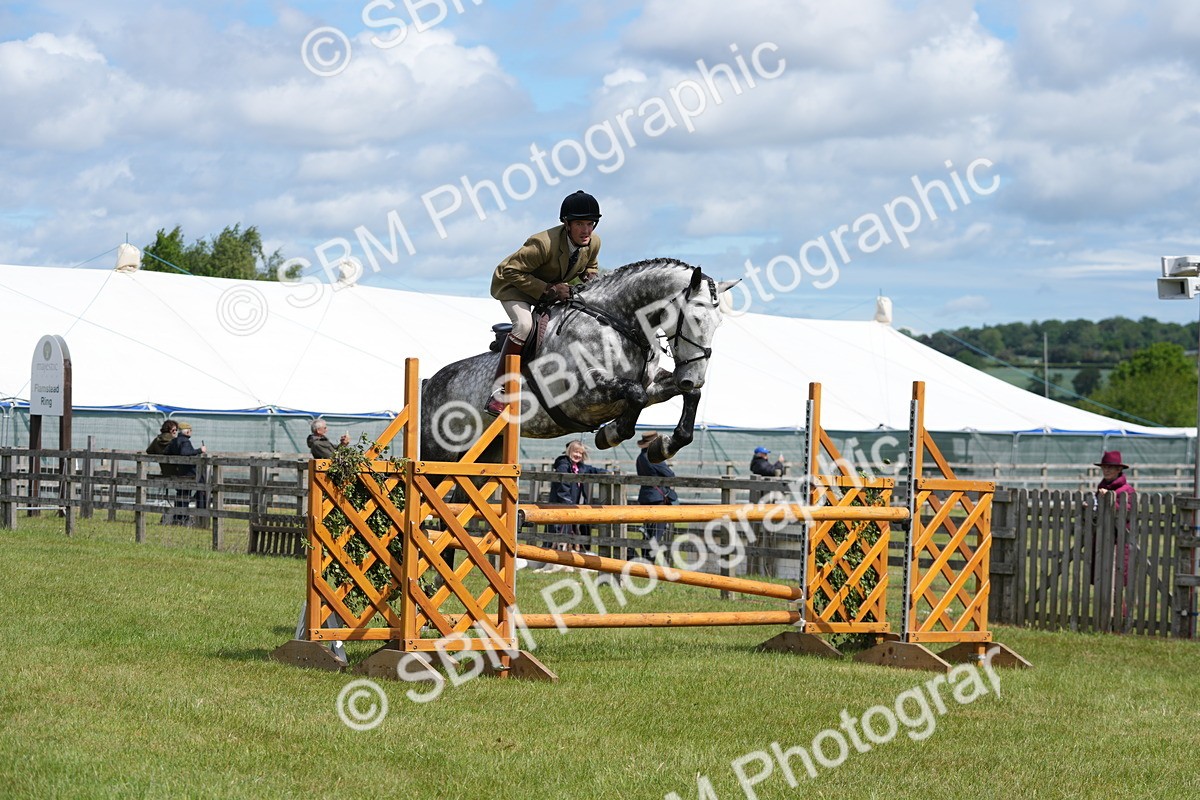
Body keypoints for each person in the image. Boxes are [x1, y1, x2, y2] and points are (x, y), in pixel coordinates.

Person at [485, 190, 603, 415]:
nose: (586, 230)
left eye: (591, 223)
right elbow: (511, 271)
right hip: (513, 286)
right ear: (567, 224)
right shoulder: (542, 243)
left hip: (550, 290)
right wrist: (550, 289)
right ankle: (499, 390)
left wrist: (590, 277)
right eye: (580, 224)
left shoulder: (593, 242)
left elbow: (591, 266)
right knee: (524, 325)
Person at [535, 440, 606, 572]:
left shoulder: (581, 467)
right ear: (569, 451)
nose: (578, 455)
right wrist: (567, 502)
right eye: (575, 452)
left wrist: (606, 472)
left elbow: (593, 470)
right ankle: (550, 558)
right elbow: (563, 485)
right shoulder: (563, 465)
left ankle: (565, 559)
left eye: (580, 453)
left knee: (570, 531)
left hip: (572, 506)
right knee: (557, 530)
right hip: (561, 505)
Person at [635, 432, 677, 562]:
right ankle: (650, 561)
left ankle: (646, 559)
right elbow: (670, 475)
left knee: (647, 531)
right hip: (657, 498)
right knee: (656, 532)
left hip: (645, 497)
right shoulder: (654, 458)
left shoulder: (640, 457)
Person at [165, 422, 208, 525]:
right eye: (190, 430)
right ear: (187, 431)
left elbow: (166, 453)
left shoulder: (174, 441)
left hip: (179, 473)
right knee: (202, 490)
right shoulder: (186, 442)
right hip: (189, 474)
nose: (191, 432)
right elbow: (185, 453)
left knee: (181, 494)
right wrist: (200, 450)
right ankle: (199, 516)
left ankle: (179, 517)